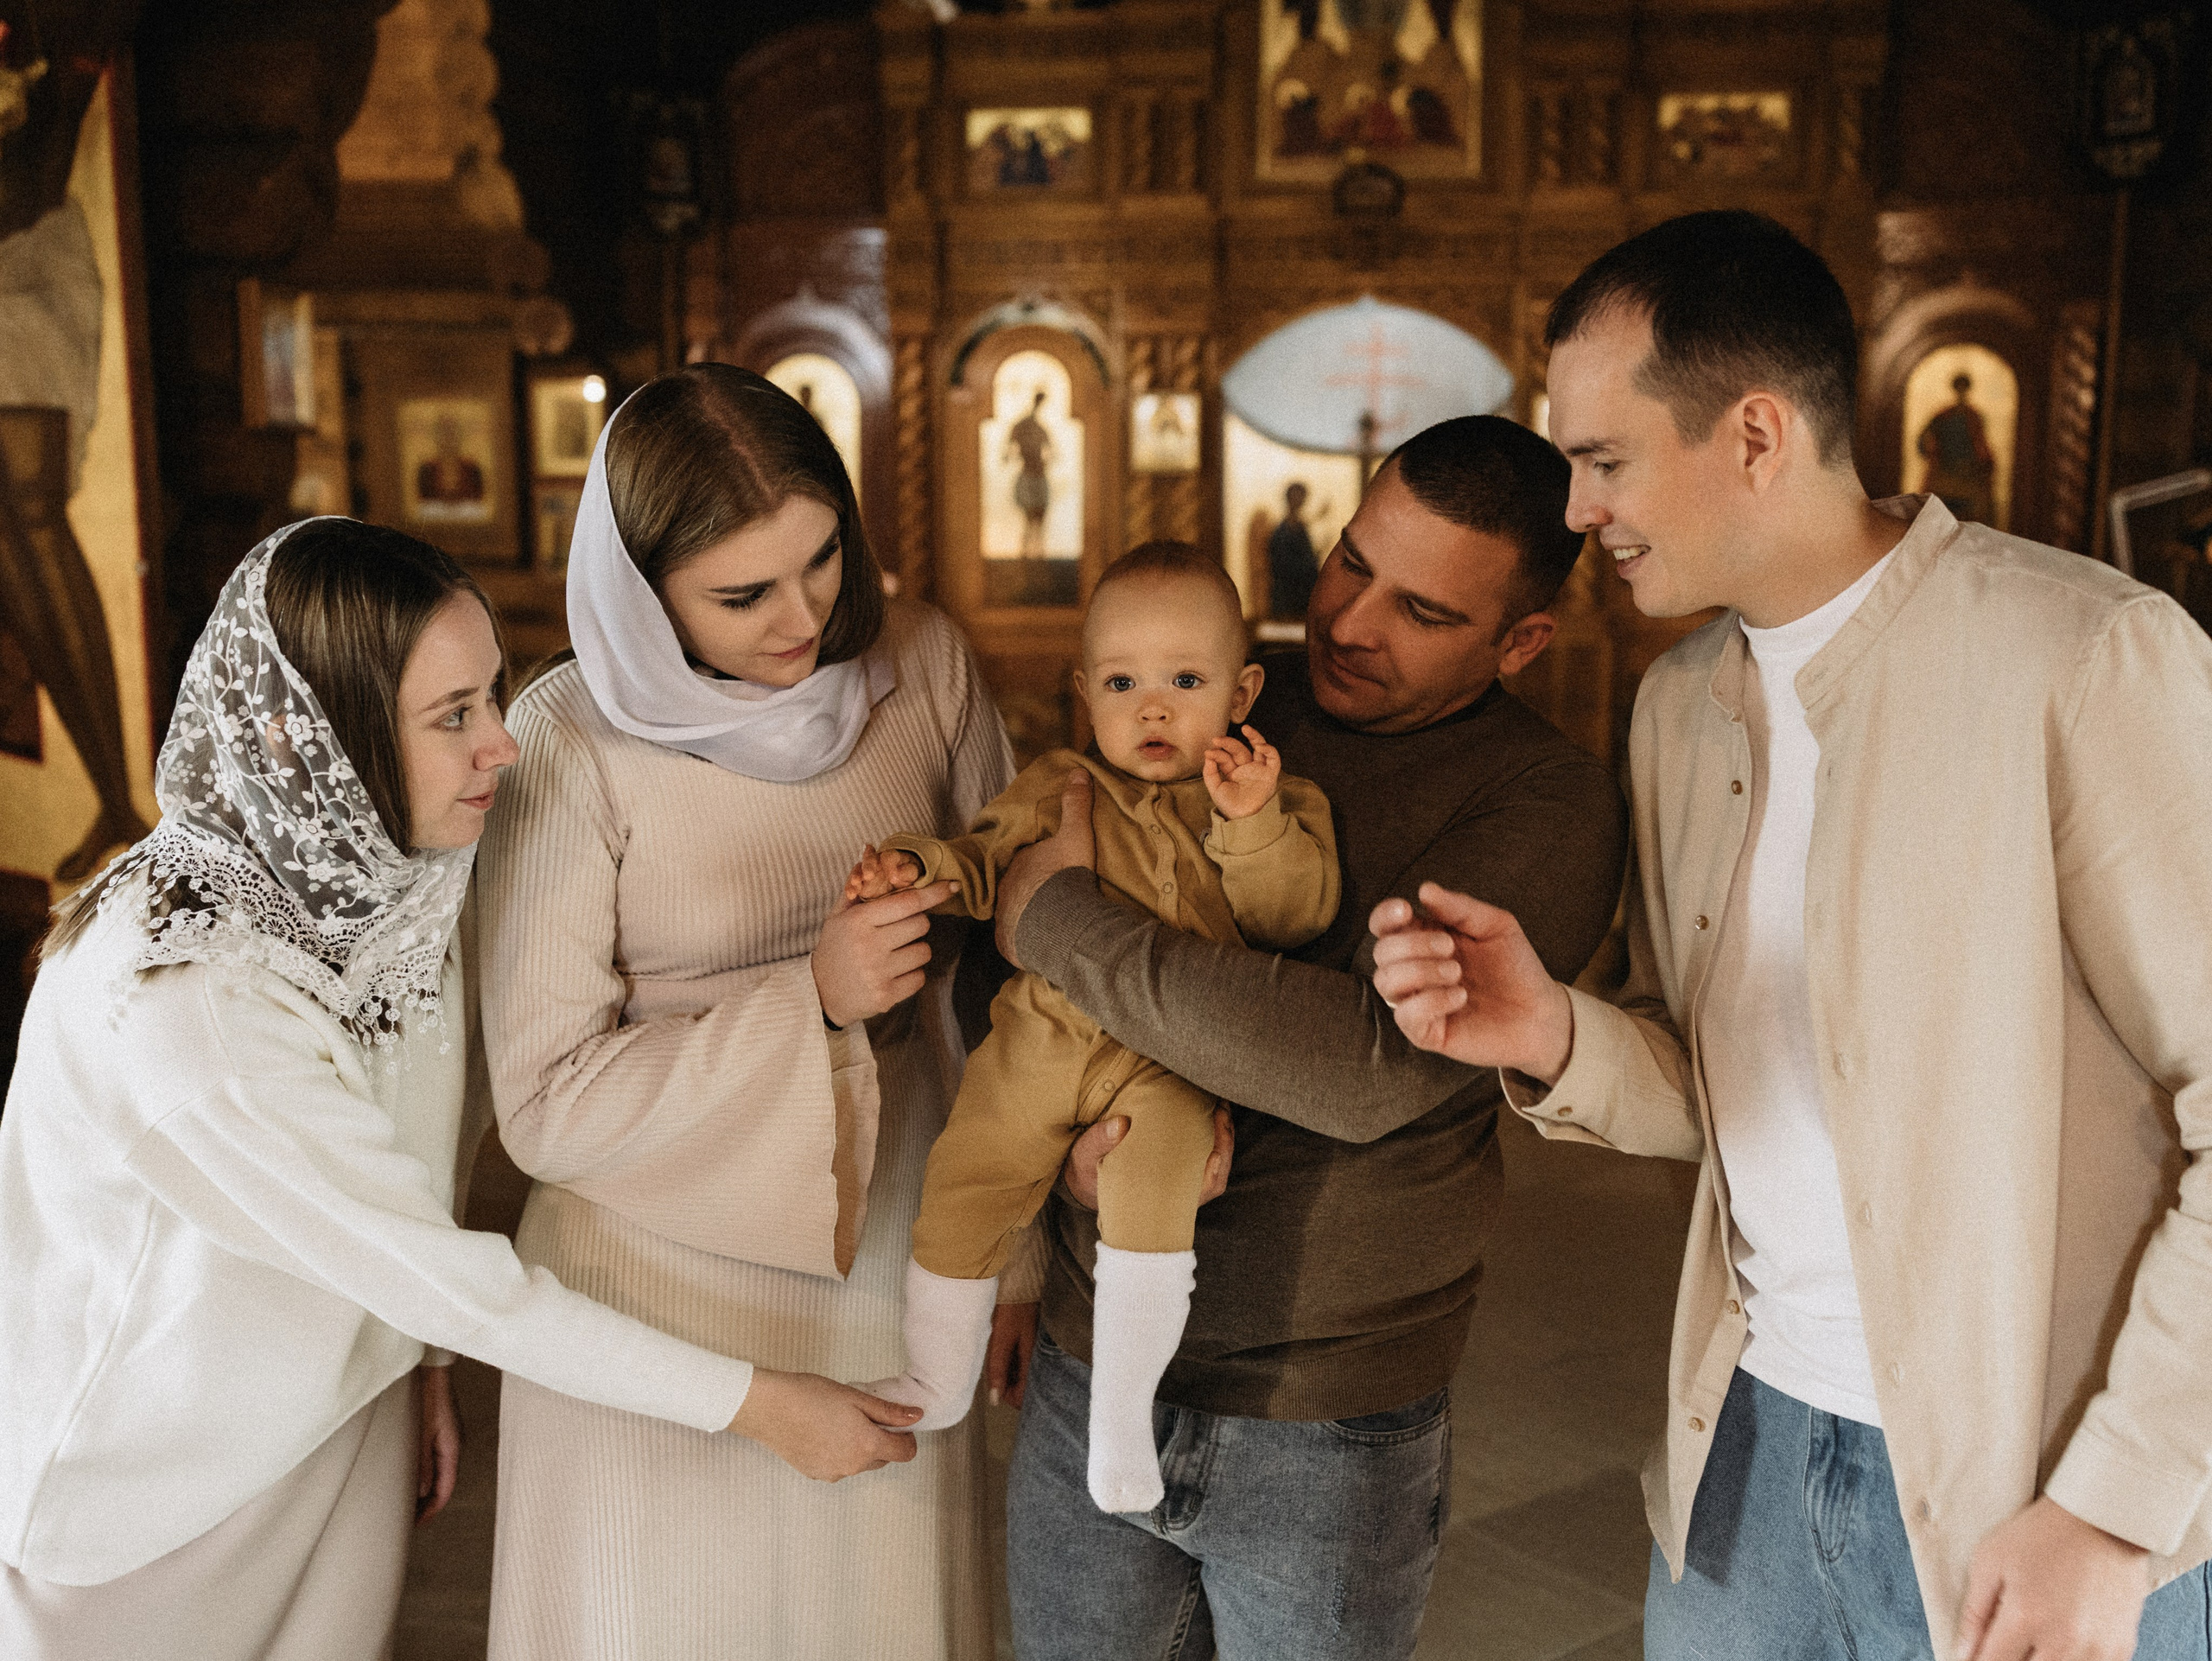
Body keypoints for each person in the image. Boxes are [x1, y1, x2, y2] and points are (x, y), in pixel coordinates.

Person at [1370, 210, 2212, 1660]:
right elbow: (1724, 1091)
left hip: (2030, 1492)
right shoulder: (1677, 710)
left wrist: (2114, 1509)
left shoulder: (2082, 656)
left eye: (1604, 459)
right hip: (1746, 1460)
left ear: (1756, 433)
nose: (1576, 509)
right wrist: (1556, 1031)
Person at [0, 518, 917, 1661]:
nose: (502, 745)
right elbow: (453, 1280)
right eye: (453, 716)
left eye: (492, 695)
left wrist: (416, 1368)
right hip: (147, 1502)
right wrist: (763, 1403)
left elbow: (423, 1151)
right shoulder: (186, 1009)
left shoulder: (398, 871)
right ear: (301, 738)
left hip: (341, 1418)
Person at [988, 415, 1629, 1658]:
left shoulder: (1546, 800)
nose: (1347, 621)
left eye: (1422, 611)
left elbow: (1360, 1066)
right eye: (1351, 561)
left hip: (1322, 1412)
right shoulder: (1217, 687)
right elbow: (1009, 971)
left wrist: (1061, 921)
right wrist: (1047, 1188)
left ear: (1520, 640)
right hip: (1089, 1348)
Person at [473, 363, 1024, 1660]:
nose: (803, 617)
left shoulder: (923, 660)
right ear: (639, 592)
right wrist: (810, 1001)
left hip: (890, 1240)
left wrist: (1021, 1255)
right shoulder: (566, 737)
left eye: (824, 559)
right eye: (742, 595)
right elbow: (542, 1102)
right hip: (647, 1282)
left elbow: (1017, 967)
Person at [847, 541, 1338, 1514]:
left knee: (1154, 1195)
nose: (1152, 710)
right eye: (1122, 683)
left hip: (1172, 1057)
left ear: (1241, 691)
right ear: (1083, 691)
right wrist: (918, 867)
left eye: (1184, 682)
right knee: (965, 1177)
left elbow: (1295, 916)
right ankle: (934, 1377)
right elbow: (985, 862)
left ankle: (1121, 1415)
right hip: (1041, 1039)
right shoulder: (1058, 784)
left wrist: (1251, 824)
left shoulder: (1274, 795)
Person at [1267, 480, 1325, 621]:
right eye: (1297, 497)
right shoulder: (1281, 532)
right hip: (1288, 597)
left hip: (1303, 595)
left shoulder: (1300, 528)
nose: (1301, 502)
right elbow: (1283, 565)